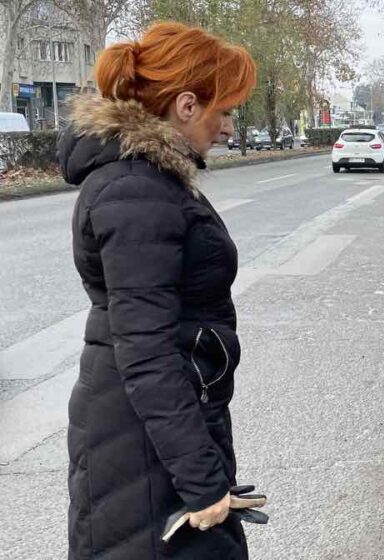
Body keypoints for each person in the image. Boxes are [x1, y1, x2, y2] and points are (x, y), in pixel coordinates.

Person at [59, 22, 257, 560]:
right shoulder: (135, 190)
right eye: (225, 110)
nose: (228, 126)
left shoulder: (150, 181)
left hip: (159, 428)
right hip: (143, 443)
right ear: (187, 106)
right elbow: (144, 350)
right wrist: (200, 479)